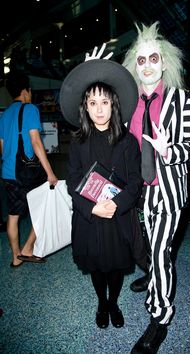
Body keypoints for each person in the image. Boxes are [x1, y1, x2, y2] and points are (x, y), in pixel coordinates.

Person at [122, 22, 190, 353]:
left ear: (165, 62)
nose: (147, 65)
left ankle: (160, 318)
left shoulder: (180, 99)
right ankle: (154, 273)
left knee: (160, 251)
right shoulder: (128, 102)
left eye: (153, 58)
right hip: (137, 190)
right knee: (141, 244)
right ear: (134, 66)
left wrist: (172, 151)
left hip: (168, 190)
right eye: (140, 60)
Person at [60, 59, 146, 329]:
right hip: (90, 217)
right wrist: (92, 208)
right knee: (97, 267)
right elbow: (72, 180)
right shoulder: (77, 141)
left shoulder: (128, 141)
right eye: (93, 102)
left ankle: (114, 302)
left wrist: (116, 204)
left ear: (114, 104)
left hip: (118, 216)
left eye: (105, 102)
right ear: (85, 106)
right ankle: (102, 303)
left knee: (117, 266)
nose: (99, 109)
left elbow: (136, 181)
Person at [0, 72, 58, 267]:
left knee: (13, 216)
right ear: (25, 91)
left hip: (8, 172)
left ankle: (16, 257)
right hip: (28, 173)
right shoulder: (30, 109)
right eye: (30, 91)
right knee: (46, 207)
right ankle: (28, 248)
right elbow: (35, 141)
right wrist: (50, 172)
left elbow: (1, 146)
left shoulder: (5, 114)